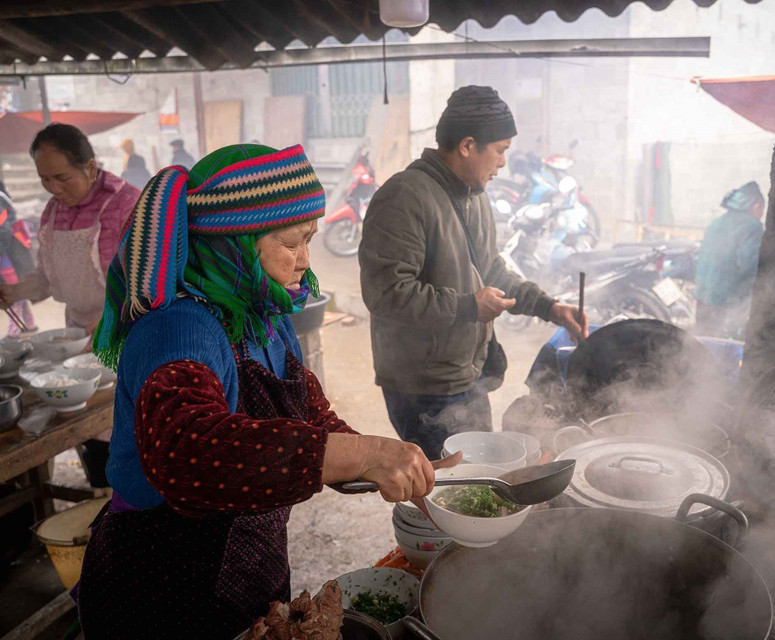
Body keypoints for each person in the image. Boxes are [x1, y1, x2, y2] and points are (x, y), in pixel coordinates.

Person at [76, 143, 456, 639]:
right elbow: (185, 448)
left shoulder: (262, 317)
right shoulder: (179, 329)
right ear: (236, 238)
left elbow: (312, 418)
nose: (304, 259)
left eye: (310, 240)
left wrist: (397, 464)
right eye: (292, 241)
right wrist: (360, 454)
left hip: (247, 576)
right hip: (163, 587)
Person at [359, 85, 588, 459]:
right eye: (499, 151)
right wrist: (468, 307)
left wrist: (549, 307)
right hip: (425, 387)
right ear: (467, 145)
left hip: (469, 371)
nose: (502, 163)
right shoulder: (404, 197)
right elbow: (387, 294)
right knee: (451, 492)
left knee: (480, 476)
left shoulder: (474, 197)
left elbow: (491, 269)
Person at [0, 124, 140, 488]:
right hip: (77, 335)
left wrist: (114, 319)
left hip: (129, 333)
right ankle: (102, 494)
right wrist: (14, 292)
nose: (53, 188)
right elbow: (46, 277)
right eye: (45, 179)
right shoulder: (53, 211)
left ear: (90, 167)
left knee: (126, 426)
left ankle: (130, 503)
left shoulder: (128, 204)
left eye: (62, 177)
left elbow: (152, 279)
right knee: (86, 426)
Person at [694, 181, 765, 340]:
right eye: (762, 210)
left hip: (703, 298)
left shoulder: (715, 223)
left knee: (704, 347)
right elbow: (749, 265)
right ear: (756, 206)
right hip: (726, 303)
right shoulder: (753, 226)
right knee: (727, 351)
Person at [0, 181, 38, 336]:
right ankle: (29, 323)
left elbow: (3, 230)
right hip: (6, 251)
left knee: (11, 287)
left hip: (7, 253)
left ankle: (14, 330)